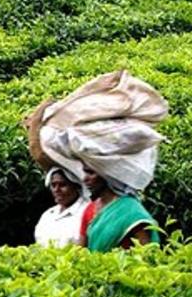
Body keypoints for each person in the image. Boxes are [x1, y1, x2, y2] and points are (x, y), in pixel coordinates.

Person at [21, 70, 166, 252]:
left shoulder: (132, 215)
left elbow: (148, 261)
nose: (85, 178)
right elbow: (81, 258)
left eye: (90, 172)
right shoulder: (91, 210)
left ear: (108, 175)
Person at [34, 166, 88, 247]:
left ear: (76, 186)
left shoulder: (86, 211)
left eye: (62, 185)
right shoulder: (48, 215)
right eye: (53, 185)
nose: (56, 189)